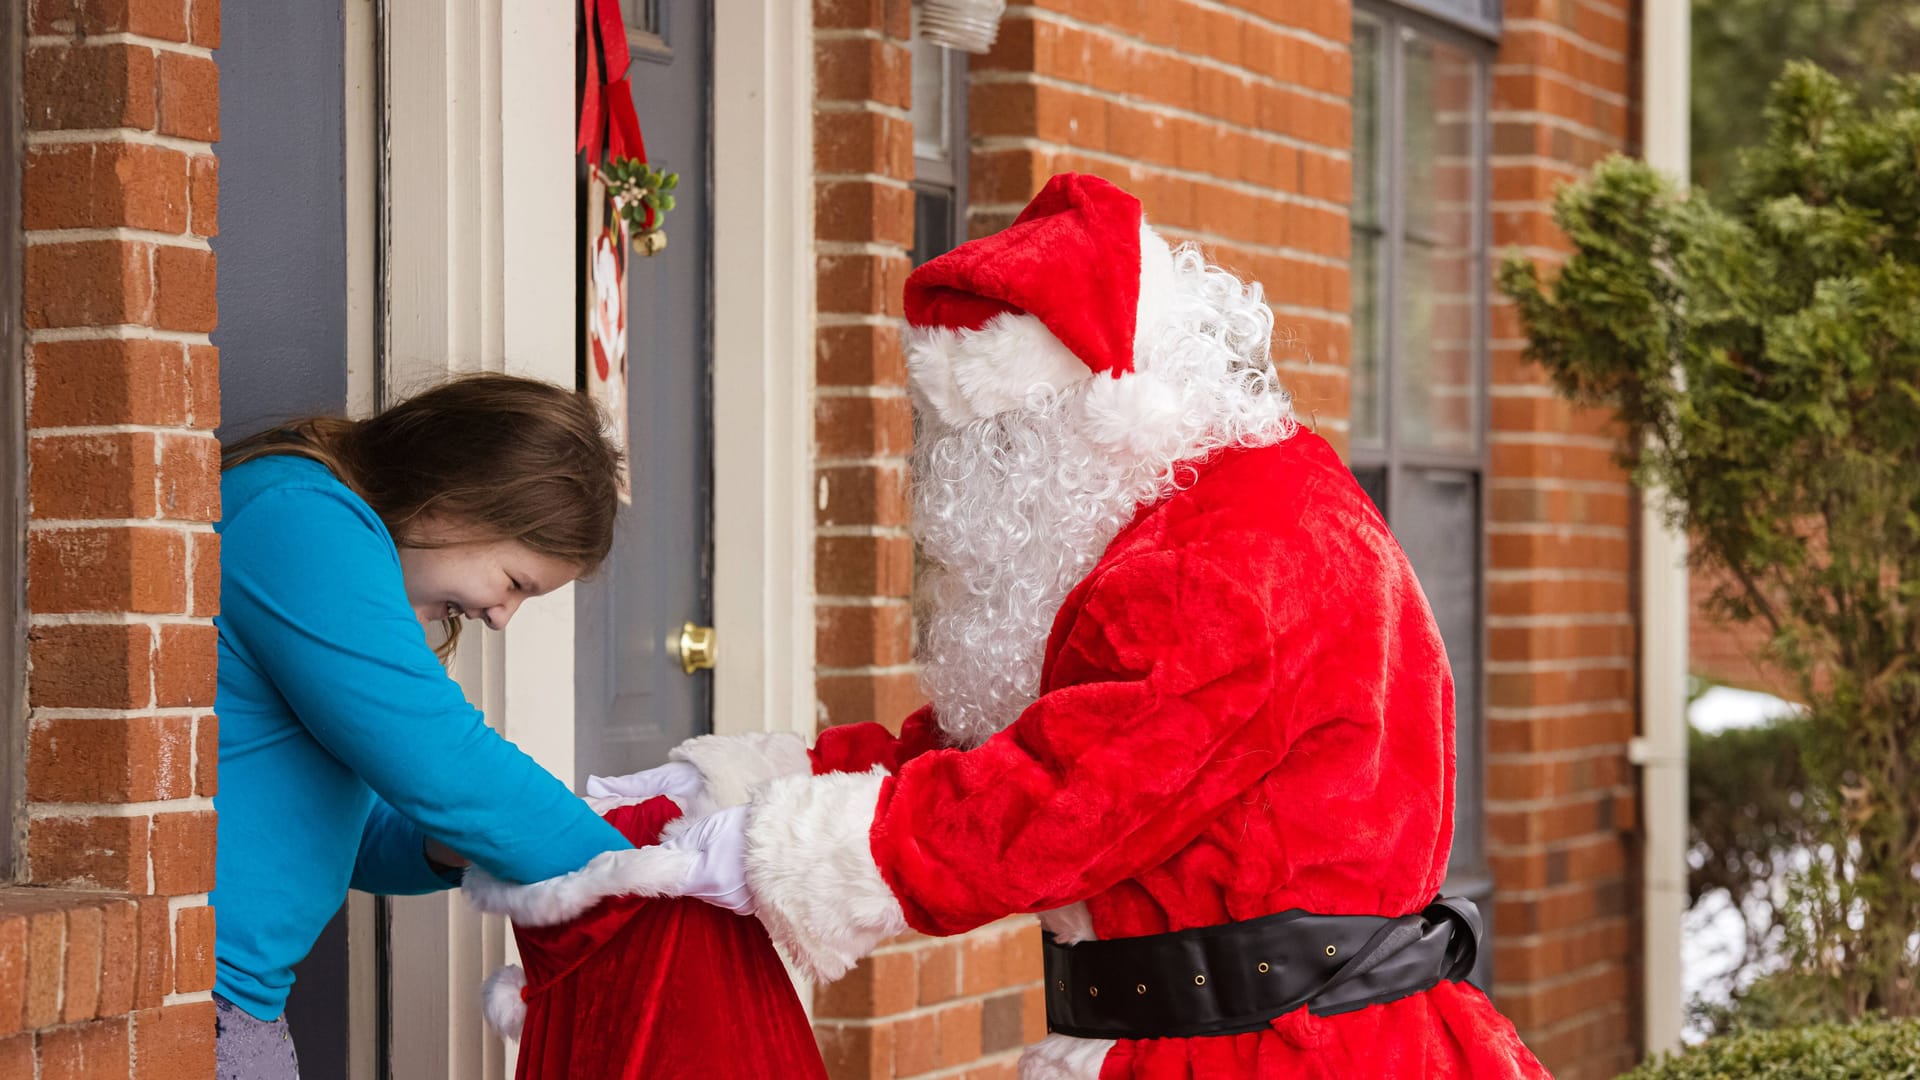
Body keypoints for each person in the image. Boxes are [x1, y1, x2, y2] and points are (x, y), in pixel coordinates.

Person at [529, 174, 1551, 1078]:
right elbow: (1005, 746)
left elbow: (1064, 797)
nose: (964, 484)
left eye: (998, 443)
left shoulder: (1228, 556)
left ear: (1100, 410)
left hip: (1284, 1052)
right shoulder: (1176, 516)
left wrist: (775, 848)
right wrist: (753, 784)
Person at [210, 374, 634, 1077]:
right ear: (455, 502)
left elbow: (359, 832)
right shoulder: (300, 518)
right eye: (516, 581)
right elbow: (446, 762)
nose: (501, 616)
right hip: (199, 1000)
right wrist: (642, 882)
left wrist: (445, 849)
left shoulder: (312, 525)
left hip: (241, 1006)